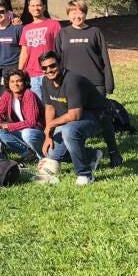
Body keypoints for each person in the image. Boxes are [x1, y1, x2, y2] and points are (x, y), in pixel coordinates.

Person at [54, 0, 121, 166]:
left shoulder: (95, 32)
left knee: (103, 117)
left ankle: (114, 153)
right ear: (68, 14)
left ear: (85, 14)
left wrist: (108, 82)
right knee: (74, 119)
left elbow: (104, 58)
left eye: (81, 12)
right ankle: (82, 153)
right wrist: (58, 83)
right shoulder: (63, 34)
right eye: (73, 12)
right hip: (72, 85)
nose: (77, 16)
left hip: (95, 83)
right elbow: (57, 61)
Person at [39, 51, 106, 185]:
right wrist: (48, 135)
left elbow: (75, 115)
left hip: (97, 116)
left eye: (52, 66)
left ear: (60, 64)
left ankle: (85, 175)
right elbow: (50, 108)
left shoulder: (72, 80)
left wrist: (51, 125)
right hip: (71, 118)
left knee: (69, 131)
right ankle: (92, 155)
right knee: (53, 154)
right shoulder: (46, 81)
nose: (49, 70)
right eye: (44, 68)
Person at [0, 69, 45, 160]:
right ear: (8, 83)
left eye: (19, 81)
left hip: (36, 132)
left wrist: (7, 126)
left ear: (24, 82)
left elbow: (31, 122)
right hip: (21, 130)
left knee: (27, 134)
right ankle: (28, 152)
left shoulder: (29, 94)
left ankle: (42, 155)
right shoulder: (7, 94)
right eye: (12, 81)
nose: (15, 84)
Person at [18, 0, 62, 101]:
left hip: (49, 72)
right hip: (32, 75)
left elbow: (60, 48)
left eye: (38, 5)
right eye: (33, 6)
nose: (36, 8)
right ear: (29, 8)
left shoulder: (54, 24)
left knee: (53, 104)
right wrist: (19, 71)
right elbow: (24, 52)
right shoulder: (26, 28)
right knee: (37, 105)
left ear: (44, 7)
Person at [0, 0, 22, 95]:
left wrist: (20, 70)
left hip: (14, 69)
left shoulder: (17, 28)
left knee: (15, 98)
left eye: (2, 11)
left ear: (7, 12)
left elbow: (24, 51)